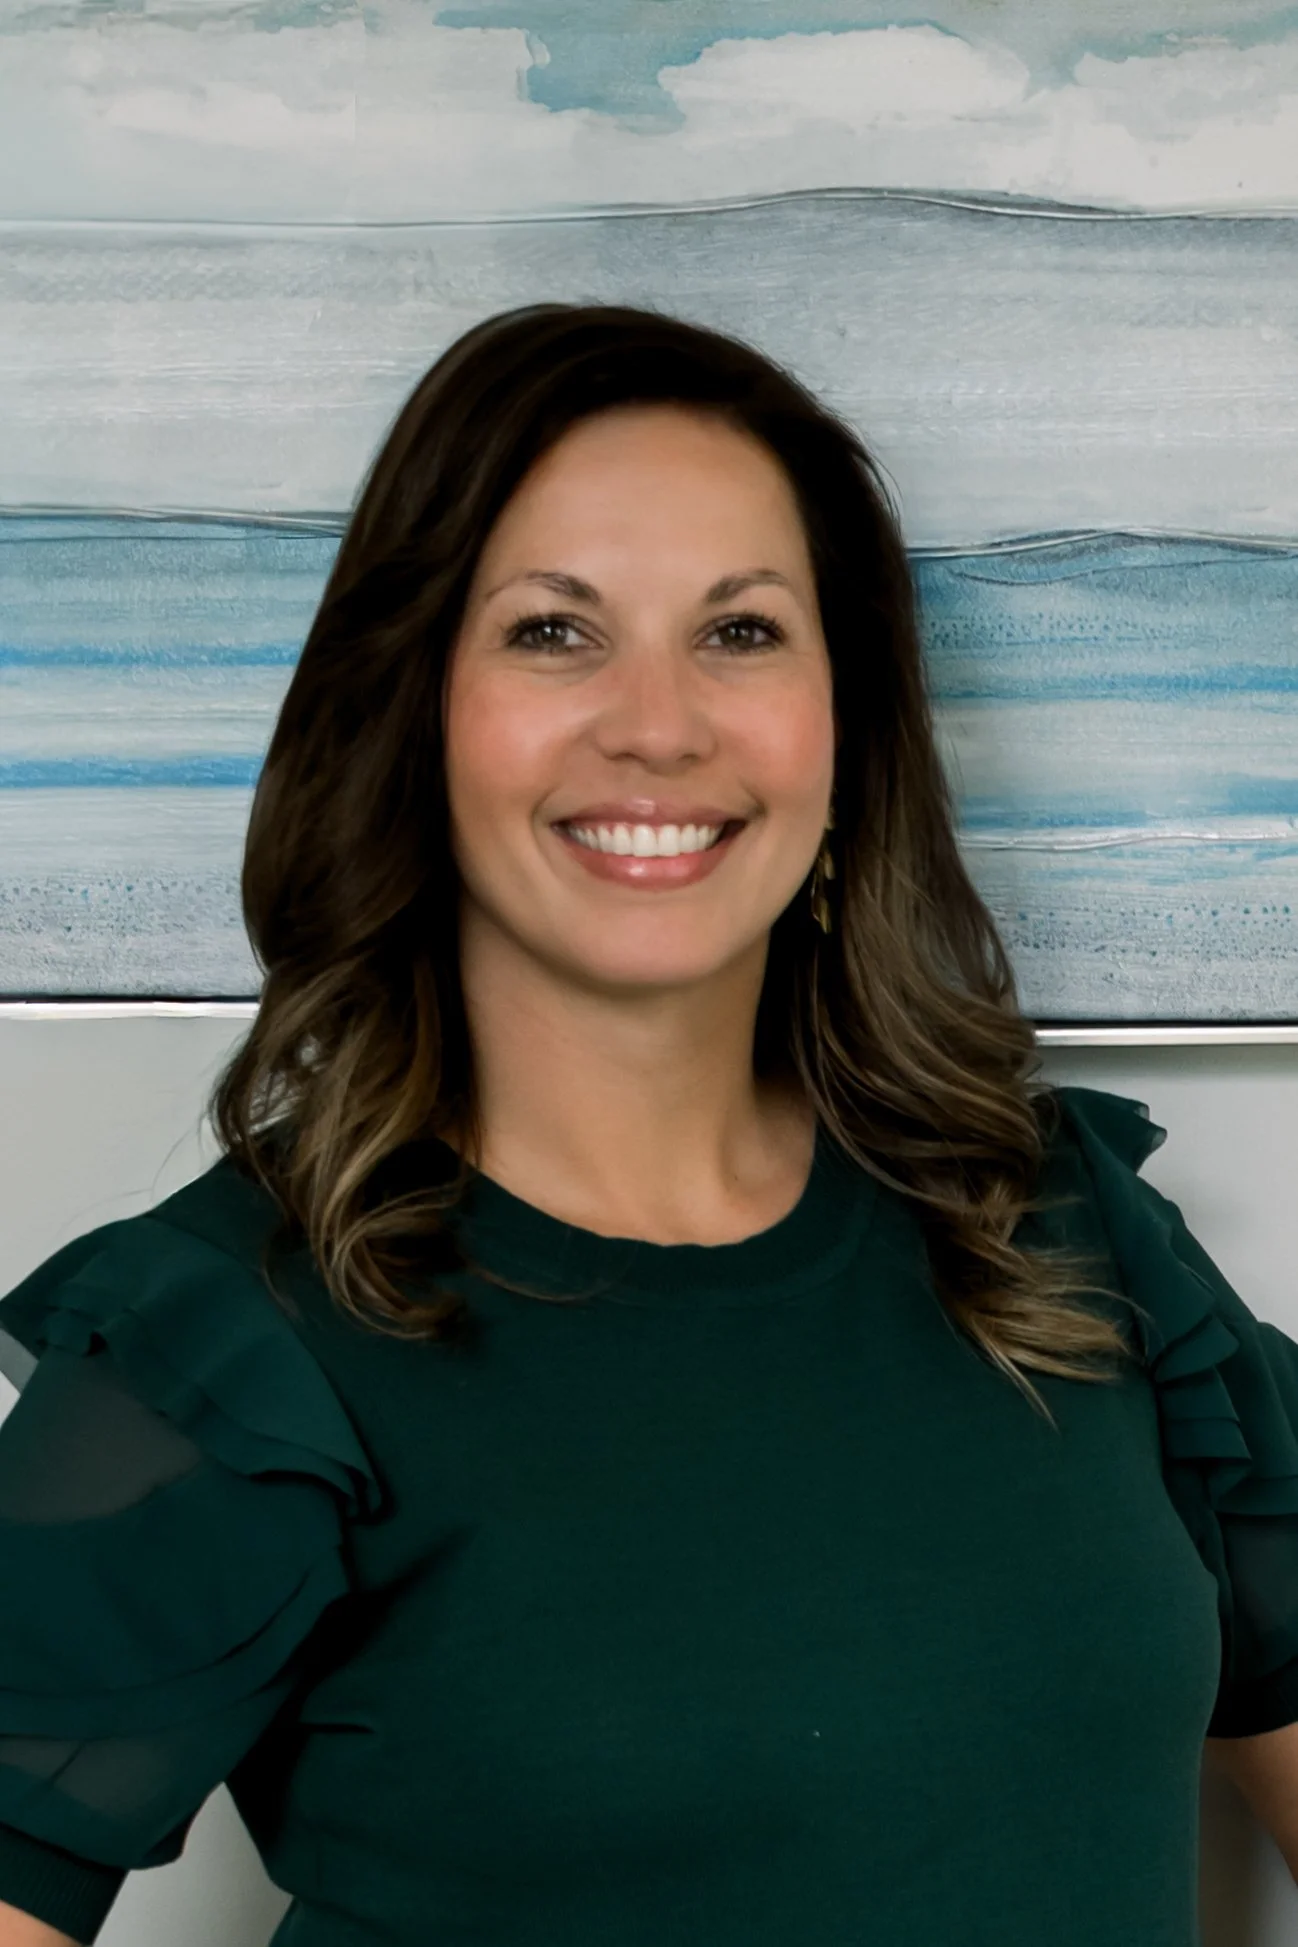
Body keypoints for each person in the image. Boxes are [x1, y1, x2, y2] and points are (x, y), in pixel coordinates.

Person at [0, 303, 1295, 1947]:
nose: (659, 722)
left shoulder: (1058, 1222)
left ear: (849, 725)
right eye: (553, 631)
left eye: (741, 631)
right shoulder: (233, 1346)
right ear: (412, 712)